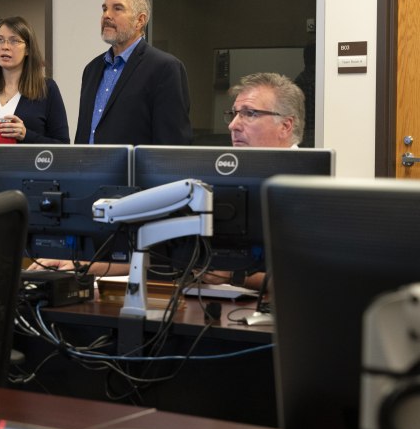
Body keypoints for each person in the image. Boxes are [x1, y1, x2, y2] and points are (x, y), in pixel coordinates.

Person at [31, 72, 305, 289]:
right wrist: (80, 265)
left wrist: (237, 277)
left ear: (286, 125)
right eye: (233, 114)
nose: (234, 125)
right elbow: (161, 256)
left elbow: (308, 278)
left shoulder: (307, 191)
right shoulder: (220, 182)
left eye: (250, 113)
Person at [0, 16, 70, 199]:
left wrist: (27, 135)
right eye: (0, 40)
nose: (5, 46)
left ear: (28, 49)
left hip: (28, 193)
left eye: (14, 41)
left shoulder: (46, 89)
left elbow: (63, 148)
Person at [74, 0, 191, 146]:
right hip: (89, 168)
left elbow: (172, 141)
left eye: (117, 9)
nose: (106, 15)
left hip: (134, 170)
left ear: (140, 21)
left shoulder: (164, 68)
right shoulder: (92, 69)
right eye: (104, 9)